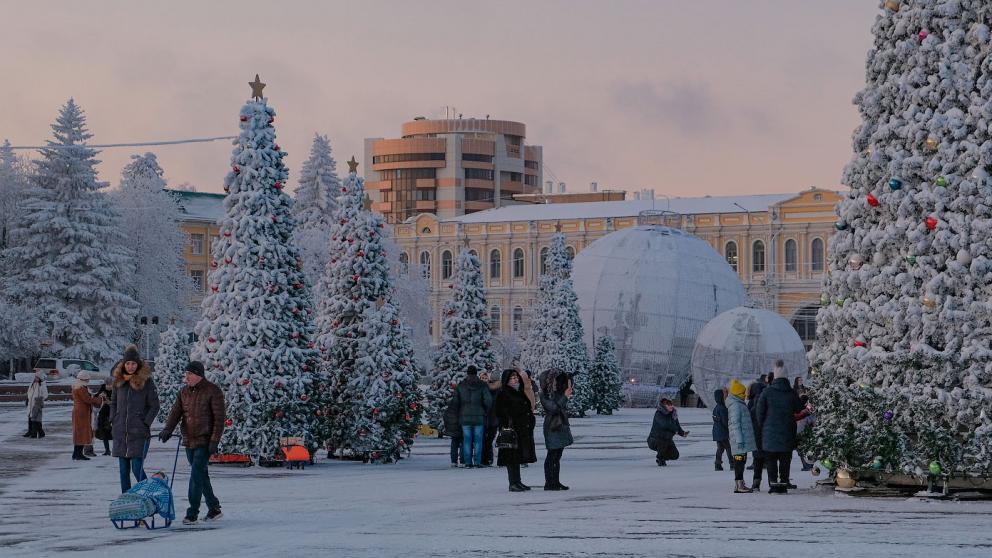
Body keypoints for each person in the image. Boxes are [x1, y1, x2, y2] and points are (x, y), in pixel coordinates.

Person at [159, 361, 226, 525]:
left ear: (198, 375)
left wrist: (214, 441)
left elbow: (219, 419)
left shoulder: (212, 391)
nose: (186, 377)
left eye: (189, 374)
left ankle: (192, 513)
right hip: (189, 439)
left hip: (205, 440)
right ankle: (214, 508)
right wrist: (168, 429)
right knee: (201, 475)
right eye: (185, 374)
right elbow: (176, 412)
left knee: (196, 475)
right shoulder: (184, 392)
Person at [111, 344, 160, 493]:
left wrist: (145, 422)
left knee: (137, 468)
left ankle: (148, 495)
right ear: (123, 364)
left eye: (133, 363)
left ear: (137, 364)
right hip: (121, 432)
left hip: (138, 432)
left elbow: (154, 405)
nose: (130, 366)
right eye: (127, 363)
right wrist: (113, 418)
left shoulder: (146, 381)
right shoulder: (118, 382)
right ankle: (127, 500)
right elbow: (113, 402)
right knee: (123, 471)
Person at [756, 361, 803, 494]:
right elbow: (798, 409)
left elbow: (759, 413)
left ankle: (773, 484)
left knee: (770, 459)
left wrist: (763, 426)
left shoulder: (767, 392)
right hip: (787, 432)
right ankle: (783, 483)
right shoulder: (791, 393)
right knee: (785, 459)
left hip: (769, 433)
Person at [494, 369, 534, 492]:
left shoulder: (519, 391)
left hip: (521, 429)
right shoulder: (504, 393)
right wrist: (509, 420)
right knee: (511, 457)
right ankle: (513, 482)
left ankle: (518, 481)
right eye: (512, 378)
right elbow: (500, 411)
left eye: (516, 377)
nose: (515, 379)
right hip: (511, 429)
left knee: (517, 457)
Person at [451, 366, 492, 468]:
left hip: (464, 417)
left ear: (467, 373)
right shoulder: (482, 385)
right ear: (476, 373)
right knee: (478, 440)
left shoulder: (461, 385)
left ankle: (468, 462)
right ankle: (477, 462)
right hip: (479, 416)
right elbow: (488, 401)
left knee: (467, 440)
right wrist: (485, 410)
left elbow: (456, 401)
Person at [540, 369, 573, 490]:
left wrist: (568, 381)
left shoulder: (557, 392)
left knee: (557, 455)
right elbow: (553, 408)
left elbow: (561, 403)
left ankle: (555, 481)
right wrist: (565, 397)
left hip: (560, 425)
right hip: (552, 426)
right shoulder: (544, 394)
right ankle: (549, 482)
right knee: (552, 455)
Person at [727, 379, 756, 493]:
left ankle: (740, 483)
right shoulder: (735, 406)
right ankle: (739, 485)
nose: (744, 395)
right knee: (739, 462)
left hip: (741, 439)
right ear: (737, 394)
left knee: (741, 461)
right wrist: (739, 439)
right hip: (739, 440)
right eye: (742, 393)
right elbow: (735, 424)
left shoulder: (738, 403)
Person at [71, 366, 105, 461]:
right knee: (82, 432)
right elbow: (87, 399)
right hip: (82, 412)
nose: (88, 381)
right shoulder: (81, 388)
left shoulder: (76, 386)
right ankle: (78, 454)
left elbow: (87, 397)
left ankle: (76, 453)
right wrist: (100, 399)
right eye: (87, 379)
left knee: (78, 433)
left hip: (78, 411)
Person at [648, 398, 689, 466]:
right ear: (664, 406)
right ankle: (660, 459)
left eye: (671, 404)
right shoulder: (659, 413)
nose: (671, 406)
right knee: (663, 441)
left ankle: (662, 456)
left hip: (668, 438)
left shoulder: (673, 414)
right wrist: (675, 430)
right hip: (654, 440)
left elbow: (677, 425)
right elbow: (665, 424)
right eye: (668, 405)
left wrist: (682, 433)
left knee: (675, 455)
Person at [746, 380, 767, 489]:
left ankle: (756, 482)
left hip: (756, 434)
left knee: (757, 460)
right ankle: (772, 481)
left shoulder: (751, 403)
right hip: (766, 433)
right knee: (770, 459)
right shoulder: (766, 401)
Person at [479, 370, 501, 467]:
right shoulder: (500, 389)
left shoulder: (485, 388)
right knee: (489, 439)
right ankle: (488, 459)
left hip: (485, 417)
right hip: (494, 418)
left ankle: (485, 459)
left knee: (485, 440)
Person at [518, 370, 538, 468]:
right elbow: (533, 402)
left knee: (520, 439)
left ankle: (522, 458)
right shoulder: (530, 387)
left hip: (521, 417)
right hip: (529, 416)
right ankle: (527, 457)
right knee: (527, 439)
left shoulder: (519, 389)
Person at [442, 387, 463, 468]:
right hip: (461, 425)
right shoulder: (464, 403)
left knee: (454, 443)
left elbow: (446, 415)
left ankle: (453, 461)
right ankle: (462, 460)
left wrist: (448, 425)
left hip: (453, 426)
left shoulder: (452, 402)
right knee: (463, 443)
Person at [711, 388, 731, 471]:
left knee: (720, 448)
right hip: (722, 432)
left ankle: (717, 464)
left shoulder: (716, 407)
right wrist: (730, 428)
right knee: (728, 448)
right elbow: (725, 421)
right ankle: (732, 463)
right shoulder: (722, 408)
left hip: (717, 431)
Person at [24, 371, 48, 438]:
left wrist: (39, 400)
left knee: (36, 419)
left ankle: (36, 433)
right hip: (31, 403)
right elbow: (29, 392)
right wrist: (27, 399)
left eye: (37, 377)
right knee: (30, 417)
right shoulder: (32, 384)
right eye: (35, 377)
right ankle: (30, 431)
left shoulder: (42, 385)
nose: (35, 378)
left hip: (37, 403)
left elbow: (45, 395)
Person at [94, 379, 114, 455]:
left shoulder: (116, 390)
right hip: (103, 413)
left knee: (115, 431)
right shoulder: (103, 388)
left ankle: (116, 449)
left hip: (113, 413)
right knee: (103, 430)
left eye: (110, 385)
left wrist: (109, 402)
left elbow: (118, 401)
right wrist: (100, 396)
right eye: (107, 385)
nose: (108, 387)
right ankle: (107, 450)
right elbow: (96, 396)